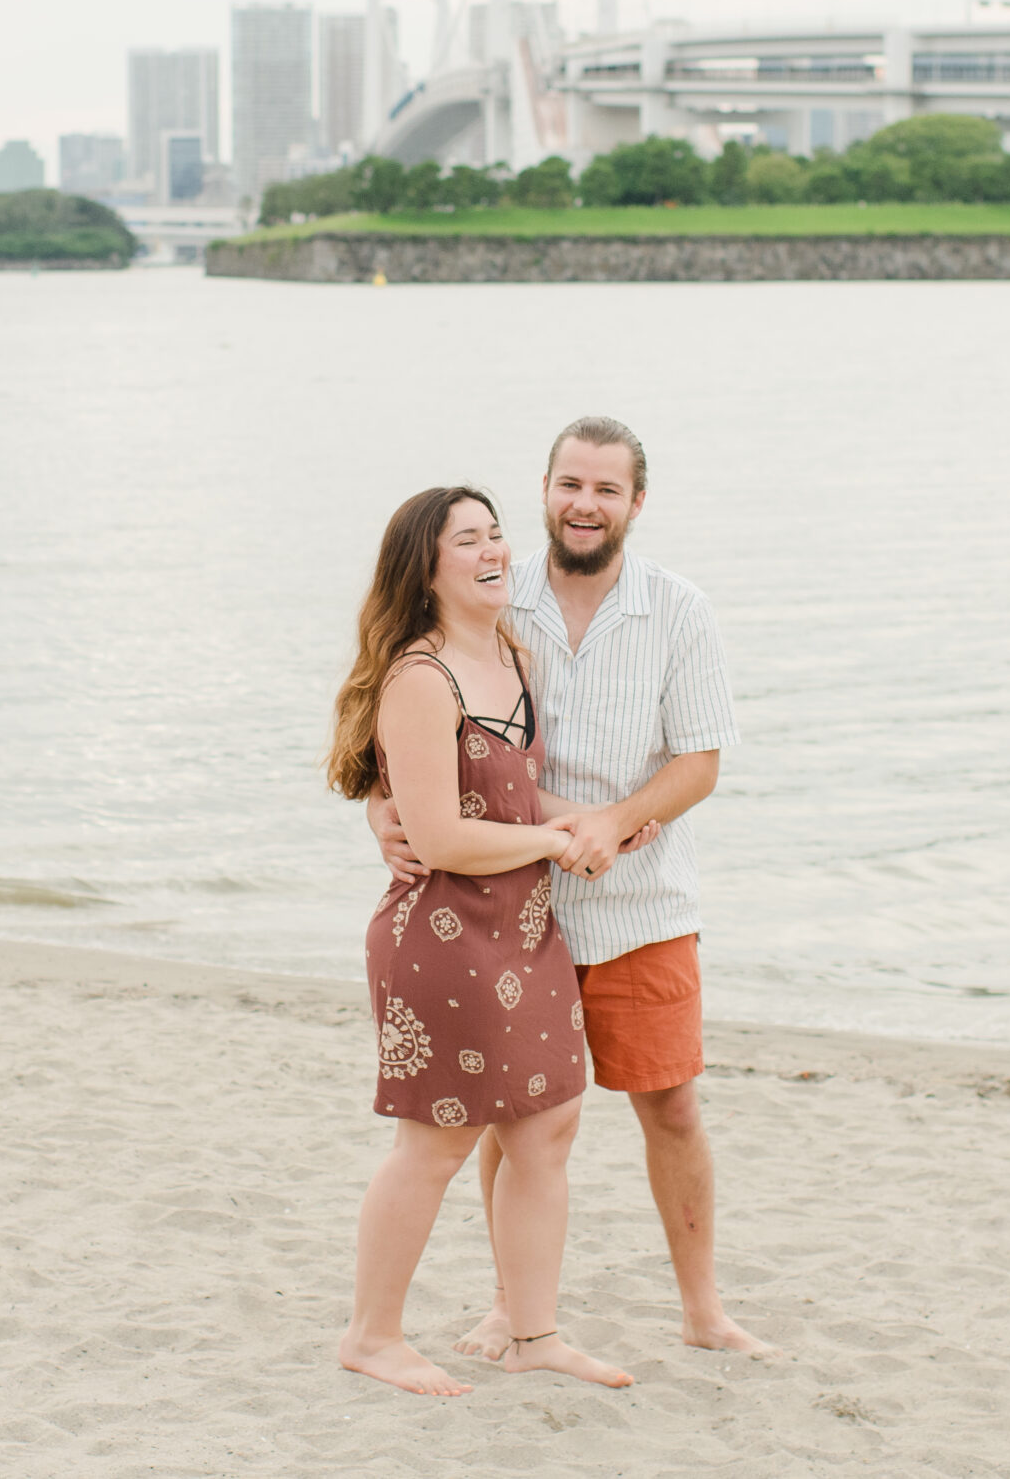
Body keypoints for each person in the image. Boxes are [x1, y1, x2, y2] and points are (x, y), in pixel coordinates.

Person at [370, 417, 772, 1360]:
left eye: (606, 489)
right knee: (515, 1120)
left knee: (670, 1103)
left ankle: (703, 1311)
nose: (585, 504)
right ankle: (516, 1308)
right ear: (545, 489)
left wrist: (612, 820)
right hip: (508, 907)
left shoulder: (678, 608)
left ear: (637, 502)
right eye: (569, 485)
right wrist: (380, 810)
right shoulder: (496, 602)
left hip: (641, 904)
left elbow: (701, 760)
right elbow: (404, 716)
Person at [327, 484, 642, 1397]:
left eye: (497, 533)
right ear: (426, 568)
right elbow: (442, 837)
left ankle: (531, 1331)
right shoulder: (421, 680)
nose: (495, 549)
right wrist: (554, 843)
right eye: (469, 539)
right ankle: (372, 1335)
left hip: (526, 927)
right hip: (442, 936)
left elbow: (510, 797)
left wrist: (595, 822)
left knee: (546, 1128)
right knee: (435, 1140)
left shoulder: (511, 651)